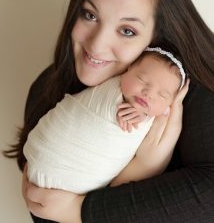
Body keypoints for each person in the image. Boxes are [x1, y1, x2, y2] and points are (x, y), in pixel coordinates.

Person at [4, 0, 214, 222]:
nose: (97, 45)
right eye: (90, 15)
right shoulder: (46, 89)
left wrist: (82, 210)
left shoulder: (193, 90)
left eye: (127, 30)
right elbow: (46, 209)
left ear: (155, 38)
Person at [23, 47, 188, 194]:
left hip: (72, 182)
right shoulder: (110, 87)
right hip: (46, 155)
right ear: (127, 69)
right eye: (142, 80)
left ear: (170, 105)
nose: (148, 93)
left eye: (162, 95)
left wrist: (145, 116)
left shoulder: (158, 120)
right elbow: (112, 103)